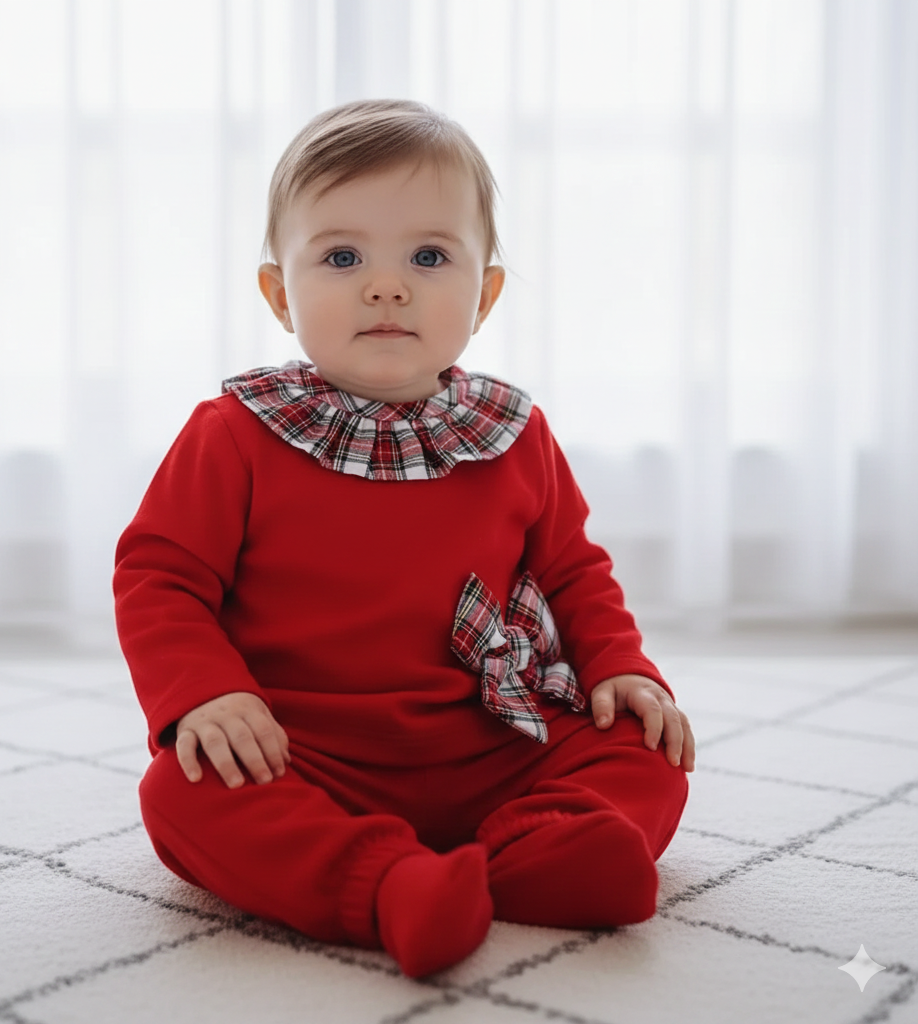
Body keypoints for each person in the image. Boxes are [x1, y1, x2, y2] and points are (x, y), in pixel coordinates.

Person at [114, 98, 695, 980]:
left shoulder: (512, 432)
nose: (387, 286)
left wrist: (621, 666)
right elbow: (160, 578)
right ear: (279, 294)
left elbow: (574, 571)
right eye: (341, 257)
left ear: (485, 293)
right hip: (306, 752)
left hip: (498, 739)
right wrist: (202, 695)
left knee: (648, 748)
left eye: (429, 257)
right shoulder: (234, 434)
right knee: (182, 795)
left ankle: (545, 846)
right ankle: (386, 884)